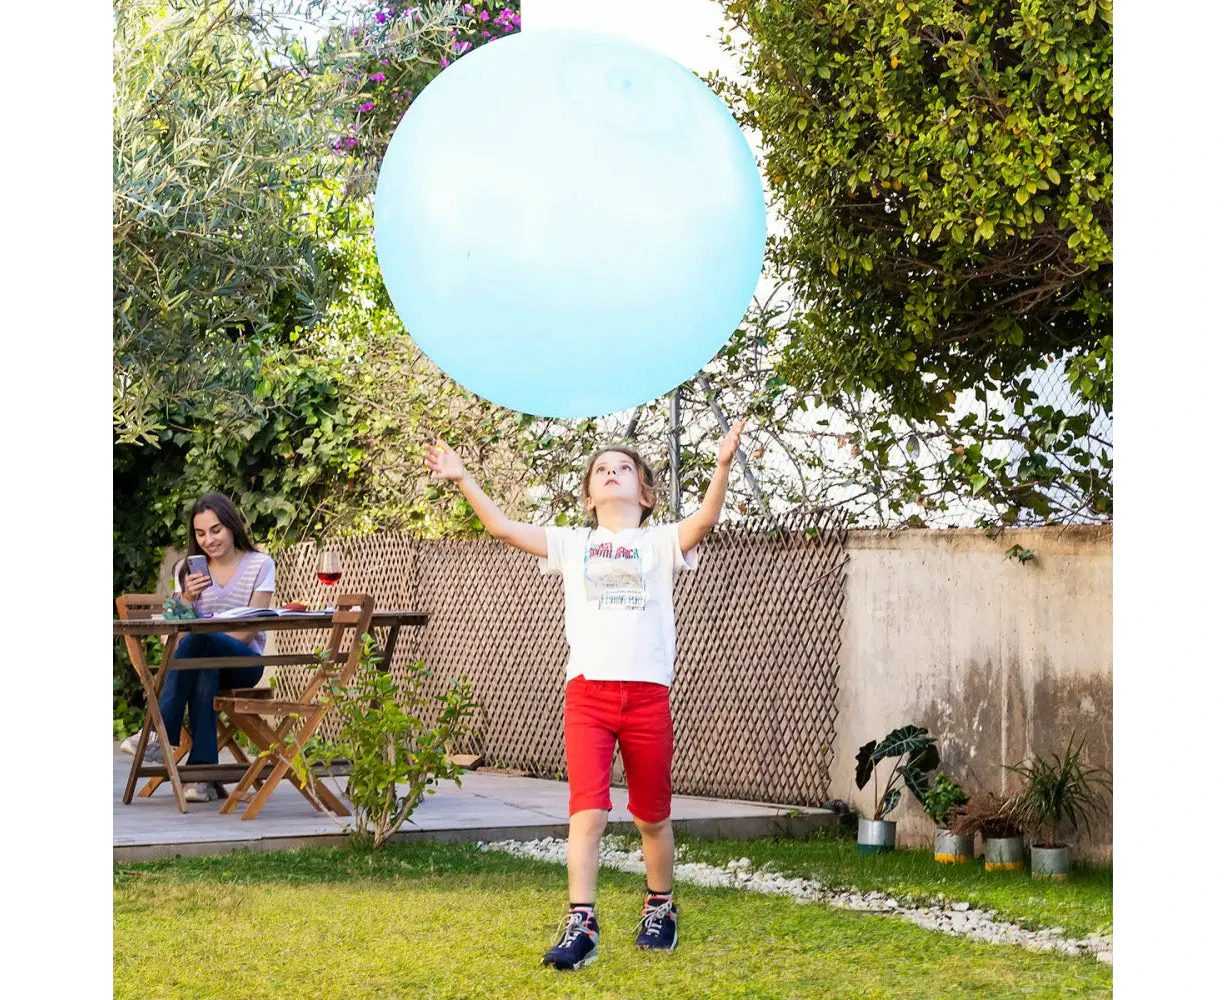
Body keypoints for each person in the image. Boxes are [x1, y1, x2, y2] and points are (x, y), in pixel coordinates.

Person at [424, 420, 745, 970]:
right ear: (589, 495)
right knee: (588, 814)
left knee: (651, 817)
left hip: (647, 698)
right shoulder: (575, 544)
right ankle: (582, 922)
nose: (611, 473)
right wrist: (462, 478)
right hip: (588, 698)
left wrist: (721, 467)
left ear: (645, 494)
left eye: (623, 468)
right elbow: (501, 526)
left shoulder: (657, 542)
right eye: (601, 470)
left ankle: (660, 906)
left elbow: (706, 519)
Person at [123, 492, 277, 803]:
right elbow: (172, 636)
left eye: (216, 530)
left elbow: (246, 634)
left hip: (243, 664)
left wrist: (202, 634)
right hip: (202, 663)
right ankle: (202, 778)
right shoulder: (187, 569)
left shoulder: (260, 564)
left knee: (198, 638)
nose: (208, 540)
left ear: (232, 526)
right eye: (200, 533)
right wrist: (188, 599)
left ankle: (158, 731)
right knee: (203, 669)